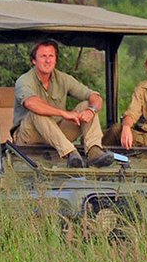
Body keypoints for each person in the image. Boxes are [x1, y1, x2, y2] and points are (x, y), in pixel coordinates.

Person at [12, 38, 115, 168]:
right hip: (30, 136)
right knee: (36, 112)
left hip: (57, 133)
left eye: (51, 56)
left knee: (85, 105)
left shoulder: (63, 78)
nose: (48, 60)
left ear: (56, 59)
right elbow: (31, 103)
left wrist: (91, 110)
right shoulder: (25, 80)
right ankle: (71, 153)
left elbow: (95, 97)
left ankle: (94, 151)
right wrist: (64, 113)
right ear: (34, 60)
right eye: (43, 56)